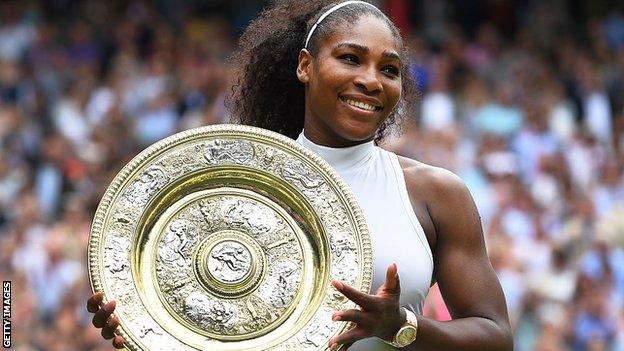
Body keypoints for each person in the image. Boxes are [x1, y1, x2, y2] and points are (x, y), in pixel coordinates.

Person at [87, 1, 513, 350]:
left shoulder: (434, 193)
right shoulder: (237, 182)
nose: (370, 80)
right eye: (350, 59)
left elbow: (495, 336)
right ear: (305, 67)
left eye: (389, 69)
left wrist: (401, 324)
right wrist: (148, 326)